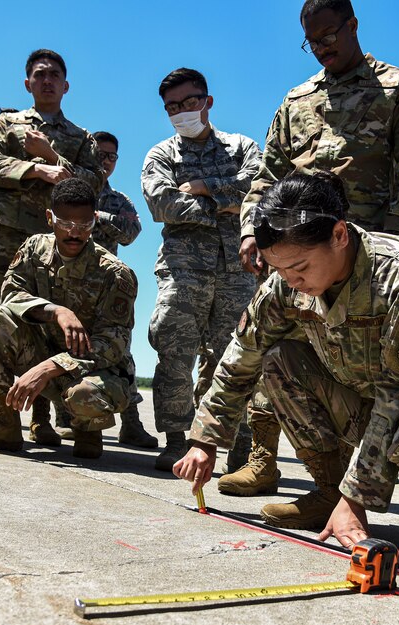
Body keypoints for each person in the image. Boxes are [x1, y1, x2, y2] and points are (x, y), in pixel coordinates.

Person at [175, 172, 399, 555]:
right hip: (370, 399)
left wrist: (358, 499)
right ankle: (328, 492)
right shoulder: (286, 282)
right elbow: (242, 357)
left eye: (300, 267)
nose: (290, 280)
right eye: (279, 269)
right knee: (278, 360)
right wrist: (205, 440)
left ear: (339, 235)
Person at [225, 0, 399, 497]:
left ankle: (390, 489)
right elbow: (269, 174)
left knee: (373, 368)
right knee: (274, 346)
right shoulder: (296, 99)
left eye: (328, 37)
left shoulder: (398, 89)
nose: (321, 49)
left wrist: (393, 245)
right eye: (312, 42)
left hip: (360, 254)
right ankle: (266, 459)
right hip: (299, 252)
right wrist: (251, 230)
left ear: (352, 25)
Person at [0, 49, 103, 447]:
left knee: (44, 323)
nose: (47, 80)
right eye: (39, 74)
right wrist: (34, 168)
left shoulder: (80, 138)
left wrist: (53, 156)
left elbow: (92, 185)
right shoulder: (6, 123)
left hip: (51, 244)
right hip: (0, 236)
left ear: (66, 85)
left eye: (54, 75)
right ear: (27, 83)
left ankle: (39, 418)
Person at [0, 178, 137, 460]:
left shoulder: (114, 273)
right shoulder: (34, 248)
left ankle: (88, 430)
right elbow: (11, 293)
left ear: (94, 221)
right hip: (43, 354)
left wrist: (51, 367)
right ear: (50, 218)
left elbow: (113, 344)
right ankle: (5, 425)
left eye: (84, 225)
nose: (74, 233)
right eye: (65, 223)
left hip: (94, 373)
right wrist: (57, 311)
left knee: (84, 397)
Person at [141, 67, 261, 471]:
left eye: (189, 102)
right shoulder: (160, 155)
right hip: (182, 272)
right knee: (174, 354)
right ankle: (176, 439)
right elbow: (162, 205)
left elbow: (259, 189)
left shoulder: (242, 147)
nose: (181, 112)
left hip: (238, 272)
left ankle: (240, 447)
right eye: (172, 107)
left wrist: (202, 187)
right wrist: (225, 201)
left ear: (207, 101)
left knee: (237, 358)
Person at [72, 129, 156, 448]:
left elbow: (131, 231)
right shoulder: (70, 189)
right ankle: (56, 420)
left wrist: (97, 216)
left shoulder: (119, 200)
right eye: (99, 154)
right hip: (65, 284)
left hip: (106, 291)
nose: (105, 161)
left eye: (111, 156)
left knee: (119, 351)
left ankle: (131, 424)